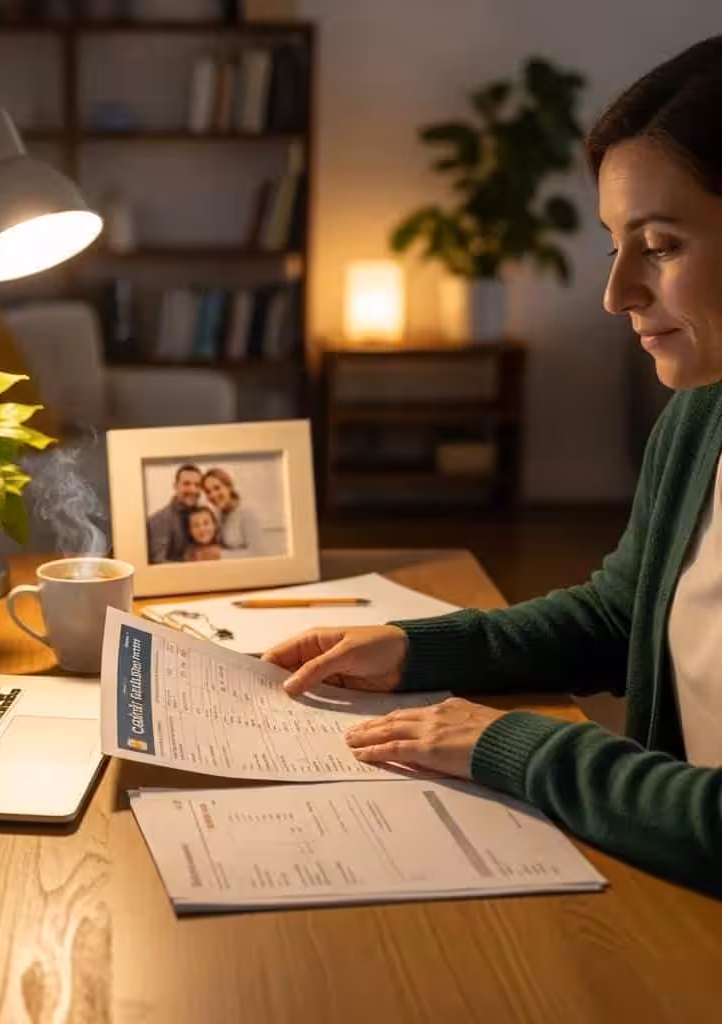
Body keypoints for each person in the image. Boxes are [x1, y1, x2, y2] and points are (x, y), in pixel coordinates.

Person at [265, 37, 722, 898]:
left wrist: (510, 744)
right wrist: (417, 649)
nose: (616, 291)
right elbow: (625, 615)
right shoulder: (702, 415)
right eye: (614, 244)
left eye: (659, 244)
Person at [146, 464, 204, 564]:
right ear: (175, 486)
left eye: (197, 485)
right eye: (186, 484)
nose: (193, 490)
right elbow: (158, 562)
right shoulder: (160, 519)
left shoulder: (202, 515)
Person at [201, 468, 263, 557]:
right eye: (208, 491)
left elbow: (259, 553)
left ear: (229, 487)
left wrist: (219, 554)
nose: (213, 495)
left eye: (217, 488)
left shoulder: (247, 513)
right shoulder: (218, 514)